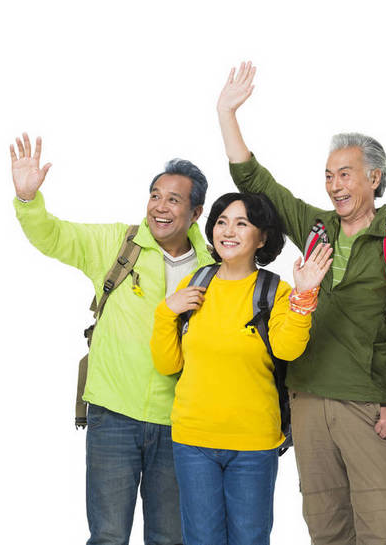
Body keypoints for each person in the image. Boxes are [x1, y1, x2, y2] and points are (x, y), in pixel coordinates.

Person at [216, 62, 386, 544]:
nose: (334, 185)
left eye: (345, 174)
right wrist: (227, 114)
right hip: (308, 401)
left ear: (374, 177)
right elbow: (259, 185)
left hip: (367, 403)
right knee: (327, 532)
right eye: (329, 175)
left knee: (382, 532)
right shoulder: (317, 228)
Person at [10, 132, 214, 545]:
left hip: (180, 423)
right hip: (113, 416)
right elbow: (53, 236)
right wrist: (28, 200)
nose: (160, 206)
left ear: (196, 212)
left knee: (170, 539)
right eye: (155, 195)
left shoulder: (213, 267)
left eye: (173, 200)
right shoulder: (118, 244)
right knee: (107, 536)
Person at [150, 192, 332, 545]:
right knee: (201, 540)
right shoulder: (195, 283)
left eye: (241, 223)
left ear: (262, 237)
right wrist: (166, 311)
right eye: (221, 222)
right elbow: (167, 363)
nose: (228, 231)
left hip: (253, 443)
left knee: (250, 539)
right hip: (193, 441)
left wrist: (304, 297)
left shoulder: (274, 291)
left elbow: (288, 348)